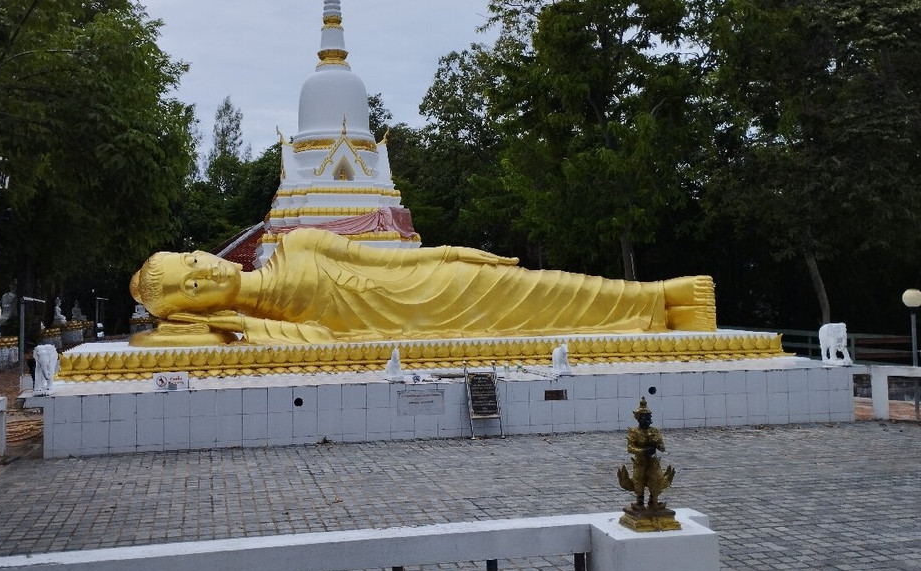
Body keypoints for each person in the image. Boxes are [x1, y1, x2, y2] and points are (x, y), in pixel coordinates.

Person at [129, 229, 716, 347]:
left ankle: (661, 297)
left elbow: (384, 256)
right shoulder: (262, 327)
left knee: (540, 288)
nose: (207, 271)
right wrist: (201, 326)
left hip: (429, 283)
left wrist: (454, 251)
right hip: (400, 324)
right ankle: (658, 302)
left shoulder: (299, 244)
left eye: (190, 260)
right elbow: (317, 342)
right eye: (195, 287)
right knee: (536, 314)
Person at [619, 397, 674, 510]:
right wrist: (644, 451)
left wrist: (657, 445)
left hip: (652, 462)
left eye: (648, 418)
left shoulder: (654, 431)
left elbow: (663, 448)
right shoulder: (634, 432)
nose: (647, 421)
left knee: (655, 479)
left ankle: (653, 501)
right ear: (638, 419)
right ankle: (639, 501)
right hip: (640, 461)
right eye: (644, 419)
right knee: (638, 480)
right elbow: (630, 448)